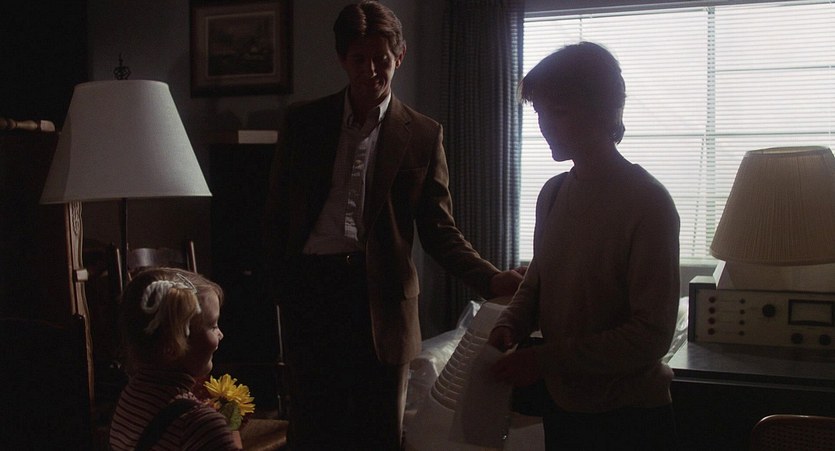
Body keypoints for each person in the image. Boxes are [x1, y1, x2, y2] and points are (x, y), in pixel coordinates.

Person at [262, 1, 523, 449]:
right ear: (342, 59)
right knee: (312, 430)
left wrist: (491, 278)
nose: (370, 71)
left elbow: (439, 230)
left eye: (381, 59)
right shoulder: (304, 122)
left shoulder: (422, 134)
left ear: (399, 57)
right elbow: (277, 213)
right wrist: (277, 287)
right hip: (313, 294)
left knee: (379, 434)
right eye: (358, 59)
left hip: (383, 304)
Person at [487, 41, 681, 450]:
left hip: (630, 416)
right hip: (565, 407)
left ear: (602, 111)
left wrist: (544, 360)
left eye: (558, 112)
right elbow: (536, 284)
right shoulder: (554, 193)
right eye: (540, 113)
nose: (545, 126)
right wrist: (509, 325)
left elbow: (650, 335)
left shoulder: (647, 202)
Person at [109, 268, 240, 450]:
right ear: (173, 344)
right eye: (212, 325)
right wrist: (229, 432)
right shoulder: (200, 424)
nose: (221, 334)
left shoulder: (130, 397)